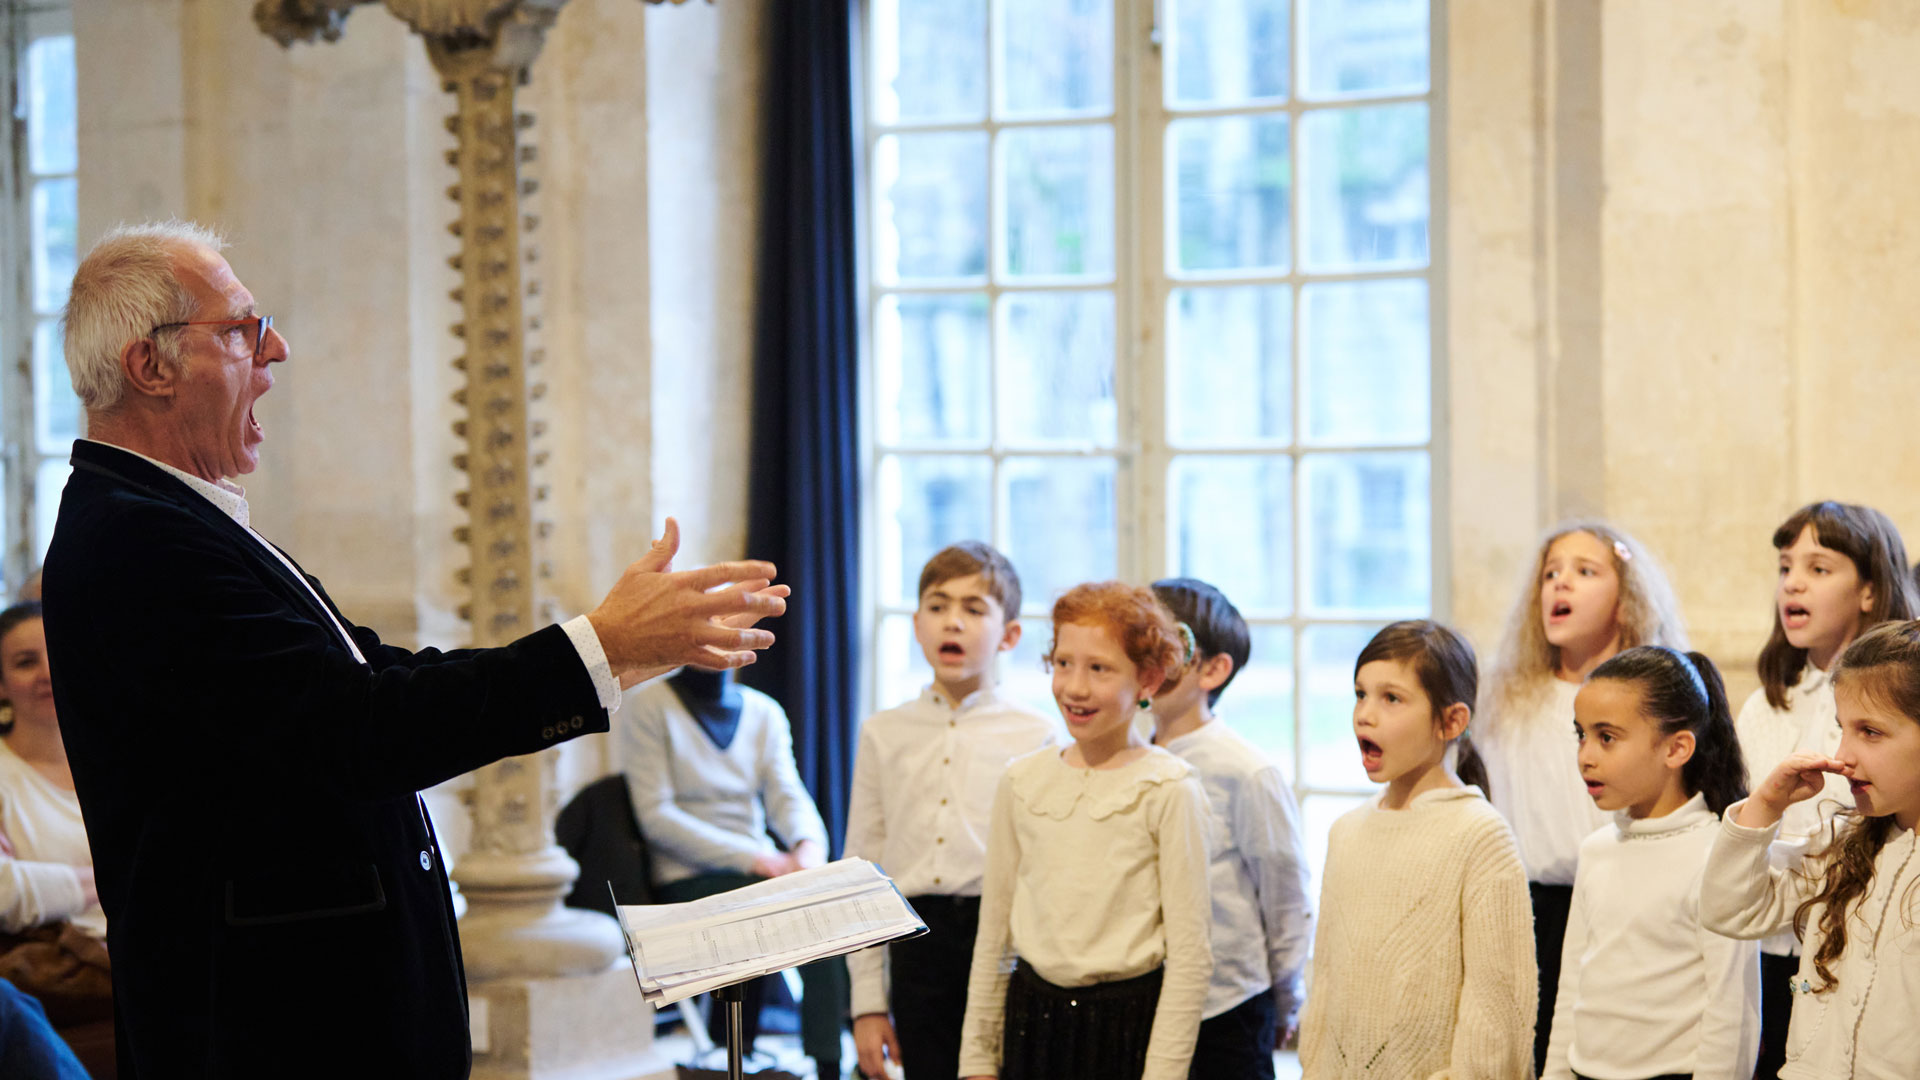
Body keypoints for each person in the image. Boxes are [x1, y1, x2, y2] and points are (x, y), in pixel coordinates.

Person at [42, 221, 788, 1079]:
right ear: (151, 366)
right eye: (243, 328)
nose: (275, 349)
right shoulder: (138, 541)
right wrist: (597, 644)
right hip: (272, 1030)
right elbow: (360, 729)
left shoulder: (179, 520)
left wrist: (613, 655)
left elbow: (379, 674)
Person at [958, 582, 1212, 1080]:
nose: (1075, 687)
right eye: (1063, 663)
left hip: (1127, 1030)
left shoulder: (1169, 788)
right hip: (1033, 1021)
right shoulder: (1022, 781)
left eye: (1099, 669)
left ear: (1148, 679)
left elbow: (1190, 958)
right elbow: (994, 936)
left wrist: (1163, 1073)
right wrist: (977, 1059)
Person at [1477, 521, 1687, 1073]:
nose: (1560, 585)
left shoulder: (1655, 702)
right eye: (1550, 574)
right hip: (1526, 909)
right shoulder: (1506, 699)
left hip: (1625, 898)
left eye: (1585, 572)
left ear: (1626, 600)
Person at [846, 542, 1057, 1080]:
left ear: (1009, 634)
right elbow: (863, 865)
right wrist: (868, 1003)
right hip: (915, 941)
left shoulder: (1038, 734)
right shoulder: (882, 732)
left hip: (1006, 938)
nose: (953, 624)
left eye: (974, 608)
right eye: (938, 607)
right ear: (917, 624)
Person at [1299, 620, 1534, 1078]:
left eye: (1391, 698)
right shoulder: (1346, 832)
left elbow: (1496, 1012)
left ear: (1452, 721)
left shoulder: (1480, 836)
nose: (1365, 714)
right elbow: (1324, 983)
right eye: (1360, 694)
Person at [1730, 501, 1916, 1077]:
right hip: (1788, 927)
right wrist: (1761, 807)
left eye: (1817, 567)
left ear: (1868, 589)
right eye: (1785, 567)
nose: (1793, 583)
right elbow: (1734, 898)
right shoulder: (1767, 703)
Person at [1702, 620, 1920, 1077]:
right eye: (1842, 729)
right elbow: (1730, 911)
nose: (1844, 755)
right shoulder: (1841, 847)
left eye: (1871, 732)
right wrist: (1764, 806)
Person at [617, 663, 845, 1077]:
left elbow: (787, 794)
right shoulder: (649, 706)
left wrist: (808, 849)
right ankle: (733, 1050)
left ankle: (829, 1063)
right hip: (687, 875)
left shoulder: (764, 711)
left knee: (822, 905)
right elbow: (657, 817)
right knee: (764, 904)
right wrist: (758, 859)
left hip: (759, 872)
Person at [1543, 646, 1759, 1080]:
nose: (1586, 755)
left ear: (1676, 748)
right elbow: (1571, 993)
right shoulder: (1596, 850)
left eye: (1606, 737)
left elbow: (1730, 1012)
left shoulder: (1719, 856)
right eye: (1580, 735)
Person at [1147, 577, 1310, 1078]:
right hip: (1146, 998)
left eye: (1166, 645)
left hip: (1227, 1005)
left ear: (1213, 668)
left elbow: (1284, 894)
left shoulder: (1245, 771)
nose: (1149, 659)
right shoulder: (1128, 758)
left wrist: (1287, 994)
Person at [0, 603, 101, 939]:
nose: (48, 672)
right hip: (62, 975)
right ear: (2, 685)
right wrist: (113, 877)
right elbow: (4, 894)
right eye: (26, 662)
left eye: (56, 652)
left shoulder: (118, 759)